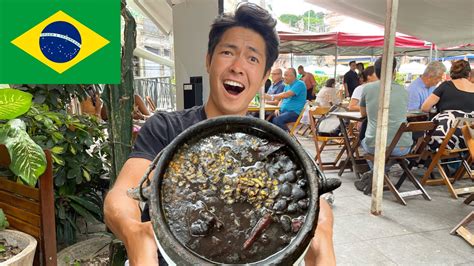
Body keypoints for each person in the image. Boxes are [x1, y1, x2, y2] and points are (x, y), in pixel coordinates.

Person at [104, 3, 335, 265]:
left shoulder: (277, 145)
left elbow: (315, 209)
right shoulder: (164, 128)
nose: (238, 66)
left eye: (252, 58)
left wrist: (323, 234)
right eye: (228, 52)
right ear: (208, 61)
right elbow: (122, 195)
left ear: (262, 78)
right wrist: (135, 233)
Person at [360, 57, 412, 168]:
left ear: (376, 72)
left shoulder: (367, 88)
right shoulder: (404, 90)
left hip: (375, 145)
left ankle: (375, 176)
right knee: (386, 154)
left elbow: (363, 114)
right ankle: (382, 173)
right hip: (402, 146)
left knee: (363, 141)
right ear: (394, 72)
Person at [421, 59, 474, 151]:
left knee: (429, 131)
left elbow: (425, 108)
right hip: (470, 139)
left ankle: (422, 162)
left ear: (451, 72)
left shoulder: (446, 86)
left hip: (446, 138)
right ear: (469, 73)